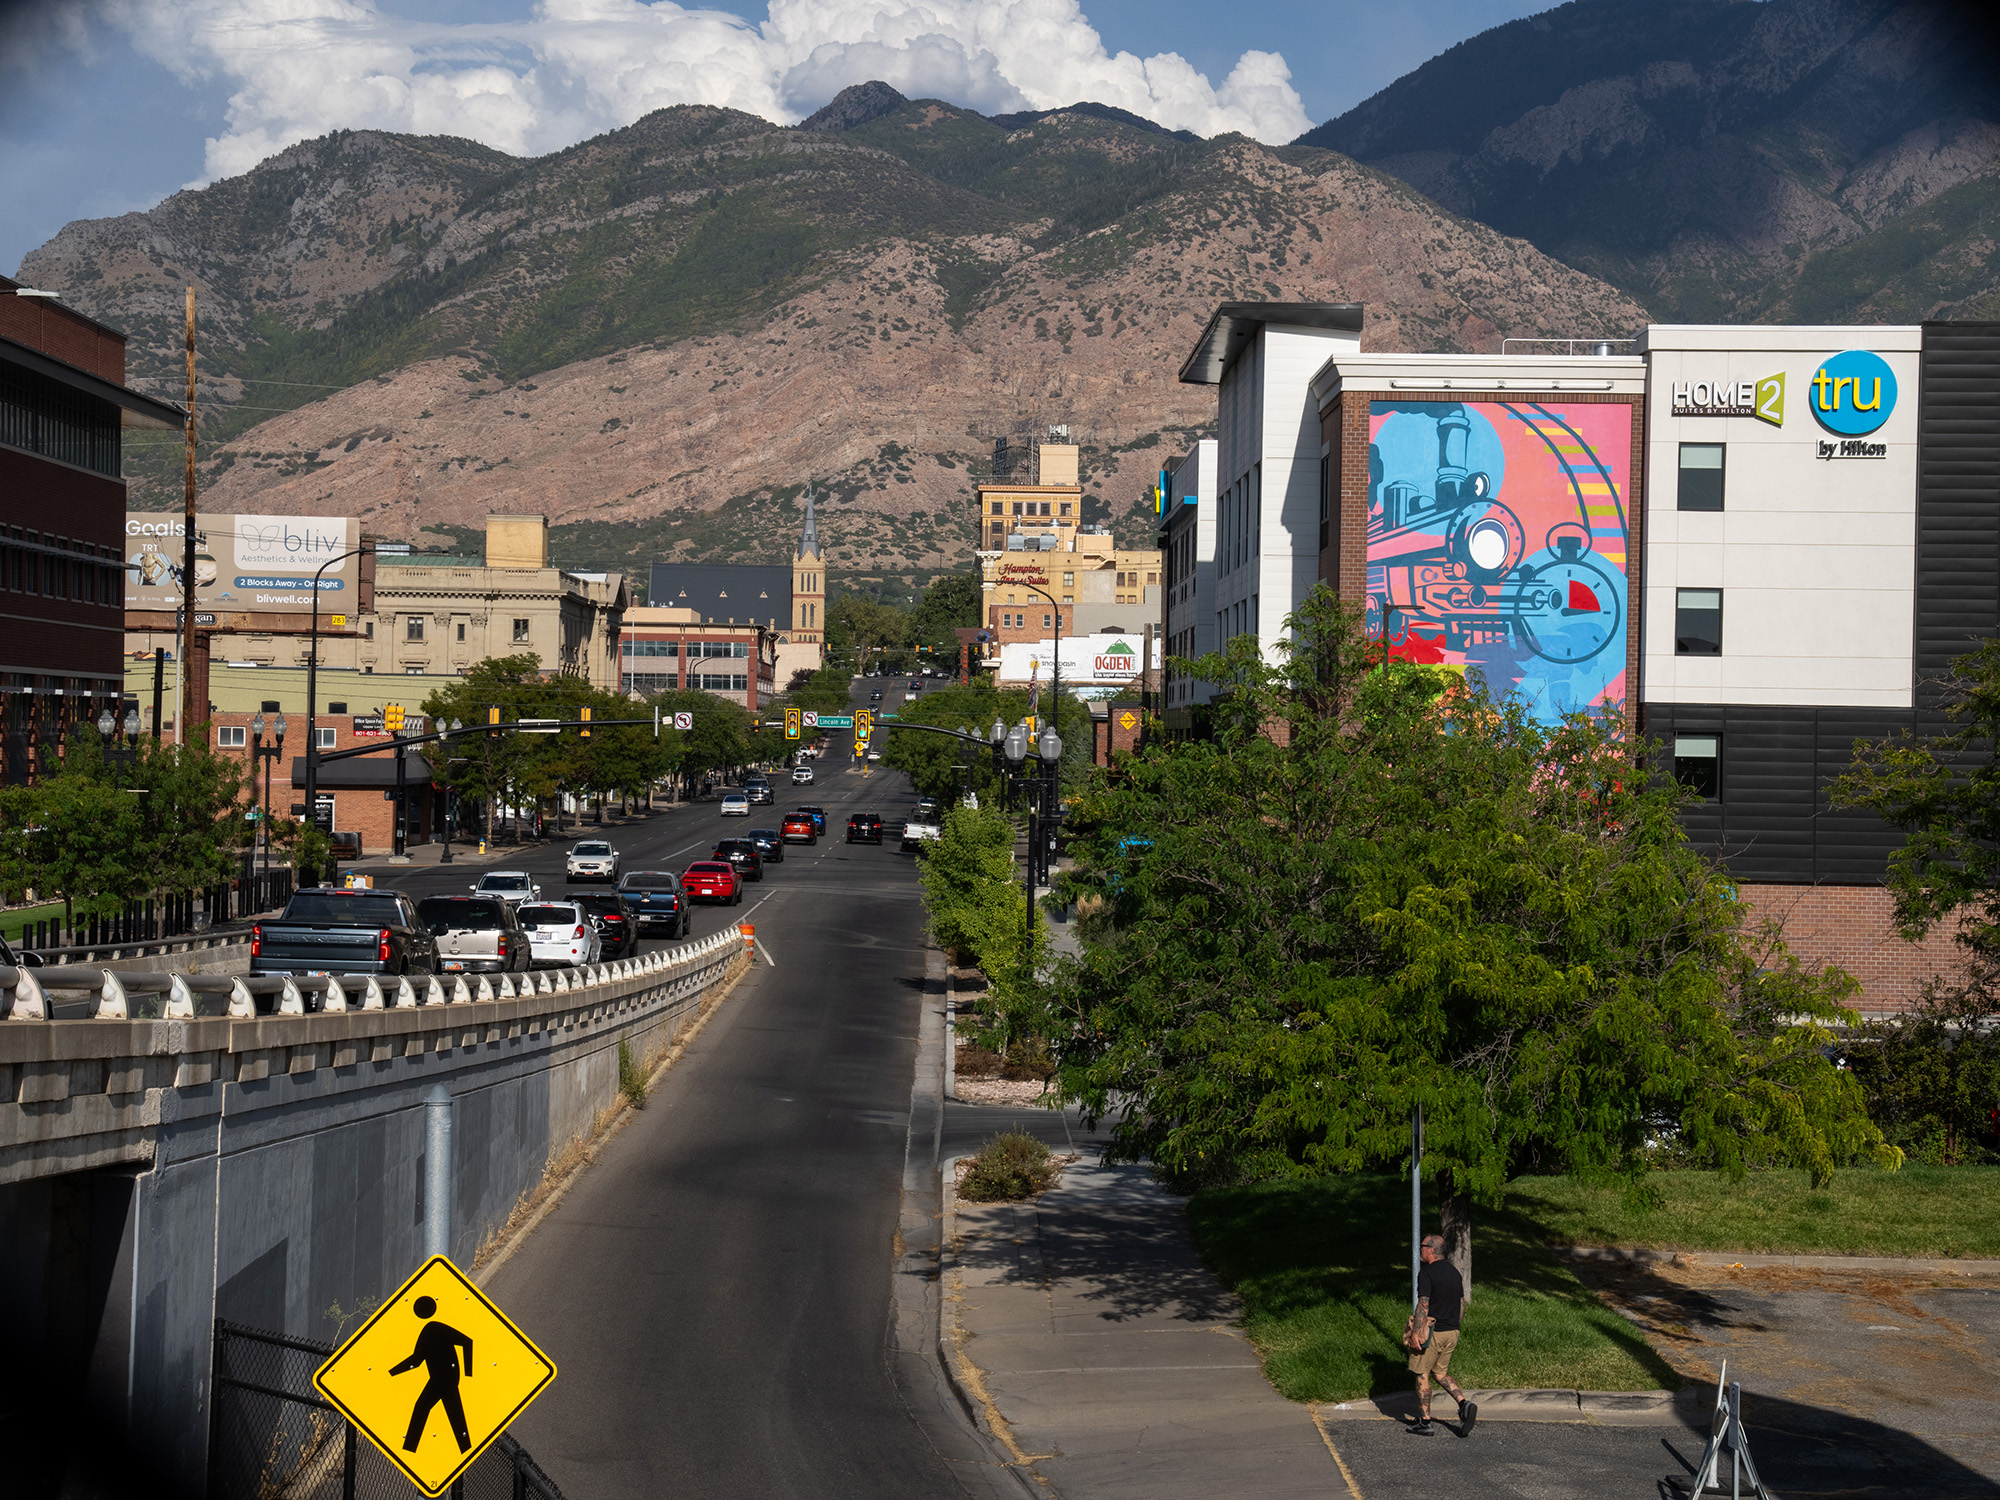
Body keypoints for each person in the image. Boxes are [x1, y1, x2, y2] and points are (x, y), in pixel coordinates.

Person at [1409, 1233, 1475, 1436]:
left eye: (1422, 1246)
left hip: (1433, 1332)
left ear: (1430, 1249)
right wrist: (1455, 1324)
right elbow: (1461, 1303)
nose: (1420, 1249)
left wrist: (1415, 1334)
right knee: (1440, 1373)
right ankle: (1464, 1404)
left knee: (1422, 1373)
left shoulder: (1427, 1273)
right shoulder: (1454, 1272)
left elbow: (1424, 1304)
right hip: (1452, 1331)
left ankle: (1425, 1422)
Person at [391, 1295, 475, 1454]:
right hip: (446, 1378)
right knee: (455, 1416)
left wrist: (469, 1374)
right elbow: (416, 1361)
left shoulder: (432, 1329)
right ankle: (465, 1449)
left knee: (422, 1408)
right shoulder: (432, 1328)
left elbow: (467, 1341)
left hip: (442, 1379)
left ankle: (409, 1448)